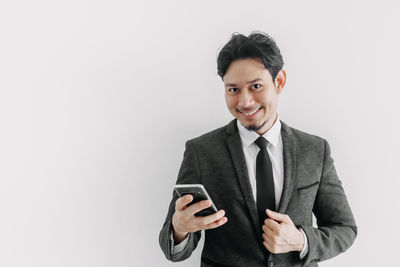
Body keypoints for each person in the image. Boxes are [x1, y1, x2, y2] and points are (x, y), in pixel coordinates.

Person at [159, 31, 357, 267]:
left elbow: (345, 229)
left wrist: (301, 240)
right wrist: (179, 229)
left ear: (279, 81)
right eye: (233, 89)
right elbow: (174, 251)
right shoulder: (200, 151)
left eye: (256, 86)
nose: (245, 102)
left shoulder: (315, 150)